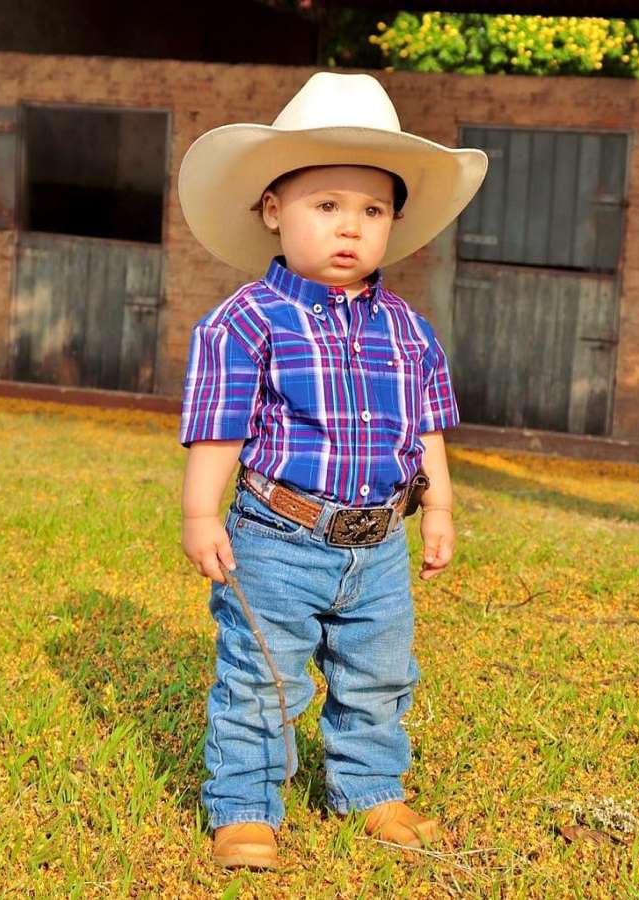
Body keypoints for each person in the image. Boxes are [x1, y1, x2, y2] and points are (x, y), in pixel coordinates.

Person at [177, 71, 488, 869]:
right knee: (262, 678)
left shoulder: (409, 328)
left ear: (394, 222)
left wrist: (442, 506)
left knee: (380, 674)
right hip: (279, 536)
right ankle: (246, 803)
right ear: (272, 210)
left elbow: (425, 427)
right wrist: (200, 514)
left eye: (372, 210)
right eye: (327, 205)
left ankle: (372, 786)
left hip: (379, 546)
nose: (351, 227)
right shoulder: (247, 321)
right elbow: (218, 429)